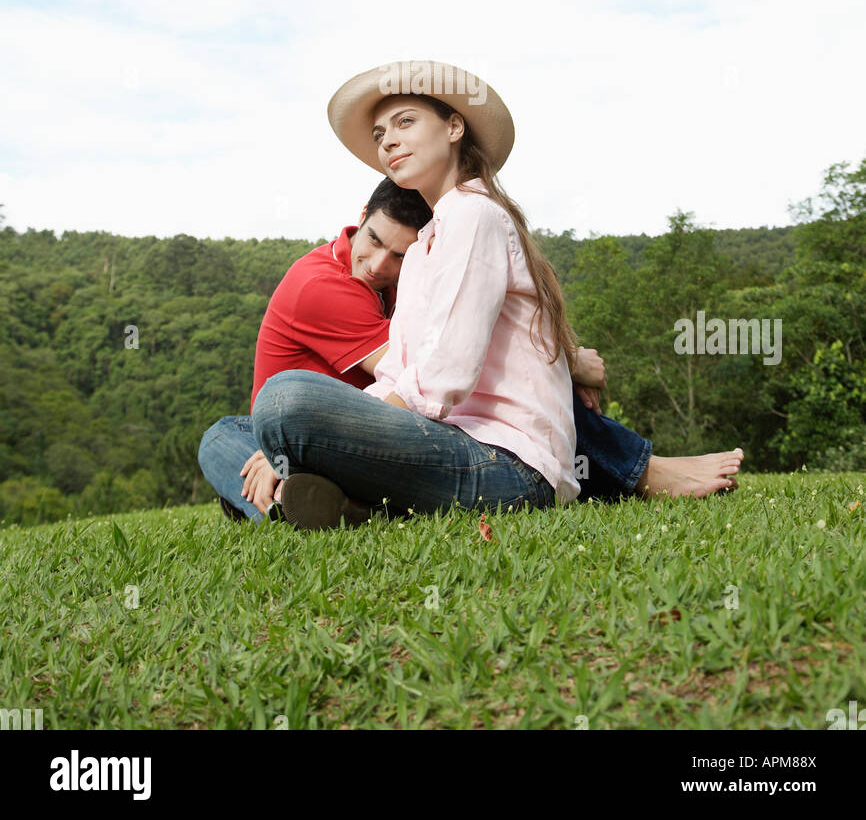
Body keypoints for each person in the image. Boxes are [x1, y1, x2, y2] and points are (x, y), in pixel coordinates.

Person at [252, 60, 743, 531]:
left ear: (453, 128)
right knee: (281, 411)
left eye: (404, 122)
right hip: (458, 443)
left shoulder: (474, 215)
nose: (388, 141)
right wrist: (316, 436)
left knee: (285, 400)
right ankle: (352, 503)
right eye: (380, 134)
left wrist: (313, 434)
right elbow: (400, 371)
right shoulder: (423, 248)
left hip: (511, 465)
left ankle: (337, 487)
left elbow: (444, 376)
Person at [197, 178, 431, 523]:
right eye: (374, 240)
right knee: (221, 437)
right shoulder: (321, 285)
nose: (379, 265)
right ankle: (298, 497)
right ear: (362, 217)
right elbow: (408, 368)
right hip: (301, 427)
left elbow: (418, 376)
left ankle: (292, 498)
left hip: (347, 432)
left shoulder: (397, 282)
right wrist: (280, 448)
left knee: (228, 442)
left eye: (398, 256)